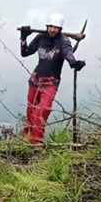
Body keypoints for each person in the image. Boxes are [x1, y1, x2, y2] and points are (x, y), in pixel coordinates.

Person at [20, 13, 86, 144]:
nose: (52, 30)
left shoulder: (64, 41)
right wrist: (23, 38)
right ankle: (25, 142)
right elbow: (25, 53)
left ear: (60, 29)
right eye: (50, 26)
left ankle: (36, 144)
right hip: (35, 80)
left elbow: (68, 54)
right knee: (31, 112)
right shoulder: (40, 38)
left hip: (51, 83)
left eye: (55, 27)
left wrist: (74, 63)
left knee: (41, 112)